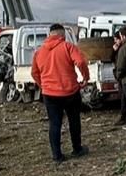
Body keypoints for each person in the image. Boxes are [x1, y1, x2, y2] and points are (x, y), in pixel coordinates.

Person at [31, 23, 90, 164]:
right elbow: (81, 61)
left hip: (50, 94)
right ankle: (77, 149)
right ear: (62, 35)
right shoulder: (68, 47)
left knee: (54, 124)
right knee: (74, 121)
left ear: (49, 35)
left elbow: (34, 72)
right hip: (70, 91)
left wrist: (43, 85)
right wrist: (85, 77)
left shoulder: (39, 52)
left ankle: (57, 155)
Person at [112, 31, 126, 126]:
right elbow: (112, 58)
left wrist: (119, 74)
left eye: (116, 39)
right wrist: (114, 50)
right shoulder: (118, 48)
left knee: (124, 96)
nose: (115, 41)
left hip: (123, 75)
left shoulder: (124, 48)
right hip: (120, 74)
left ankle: (125, 116)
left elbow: (121, 63)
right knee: (123, 96)